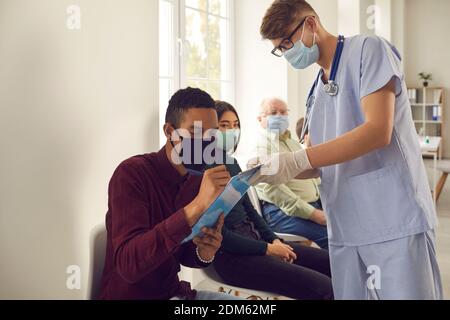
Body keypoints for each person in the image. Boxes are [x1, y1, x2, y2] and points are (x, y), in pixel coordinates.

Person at [251, 0, 443, 300]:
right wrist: (271, 169)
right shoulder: (316, 90)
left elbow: (378, 131)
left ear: (311, 24)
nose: (288, 53)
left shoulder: (369, 50)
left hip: (392, 220)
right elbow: (319, 162)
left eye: (288, 43)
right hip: (345, 228)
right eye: (281, 49)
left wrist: (297, 158)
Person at [99, 87, 241, 300]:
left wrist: (205, 251)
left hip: (176, 293)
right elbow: (129, 265)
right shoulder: (131, 174)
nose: (205, 140)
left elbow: (183, 254)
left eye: (212, 133)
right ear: (169, 131)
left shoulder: (196, 179)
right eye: (195, 131)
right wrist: (194, 208)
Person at [211, 100, 333, 300]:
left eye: (235, 125)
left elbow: (250, 211)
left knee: (333, 264)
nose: (232, 131)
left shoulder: (231, 163)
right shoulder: (202, 172)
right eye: (224, 126)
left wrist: (274, 239)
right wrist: (267, 248)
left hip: (259, 242)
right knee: (324, 289)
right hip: (235, 258)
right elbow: (222, 236)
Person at [254, 97, 328, 250]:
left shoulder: (292, 143)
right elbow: (274, 190)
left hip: (309, 207)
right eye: (273, 113)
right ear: (260, 118)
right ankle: (343, 274)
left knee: (348, 226)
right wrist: (314, 214)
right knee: (333, 235)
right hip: (281, 212)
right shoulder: (262, 147)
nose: (280, 116)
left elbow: (312, 175)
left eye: (283, 112)